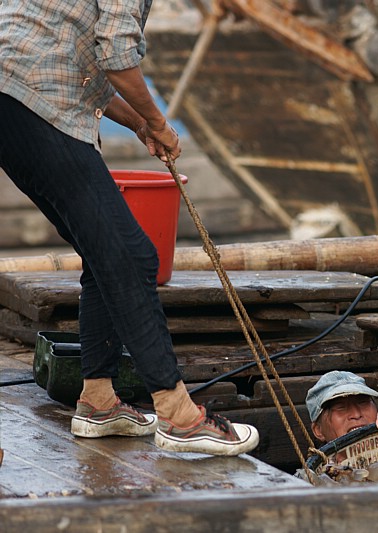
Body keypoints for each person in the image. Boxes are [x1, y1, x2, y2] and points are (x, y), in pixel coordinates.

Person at [0, 1, 258, 456]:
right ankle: (179, 415)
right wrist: (160, 122)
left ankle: (98, 399)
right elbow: (117, 56)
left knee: (101, 251)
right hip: (33, 100)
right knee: (131, 255)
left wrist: (140, 123)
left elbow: (76, 59)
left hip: (15, 98)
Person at [306, 371, 378, 444]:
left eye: (363, 402)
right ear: (318, 430)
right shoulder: (317, 477)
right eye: (341, 407)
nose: (356, 414)